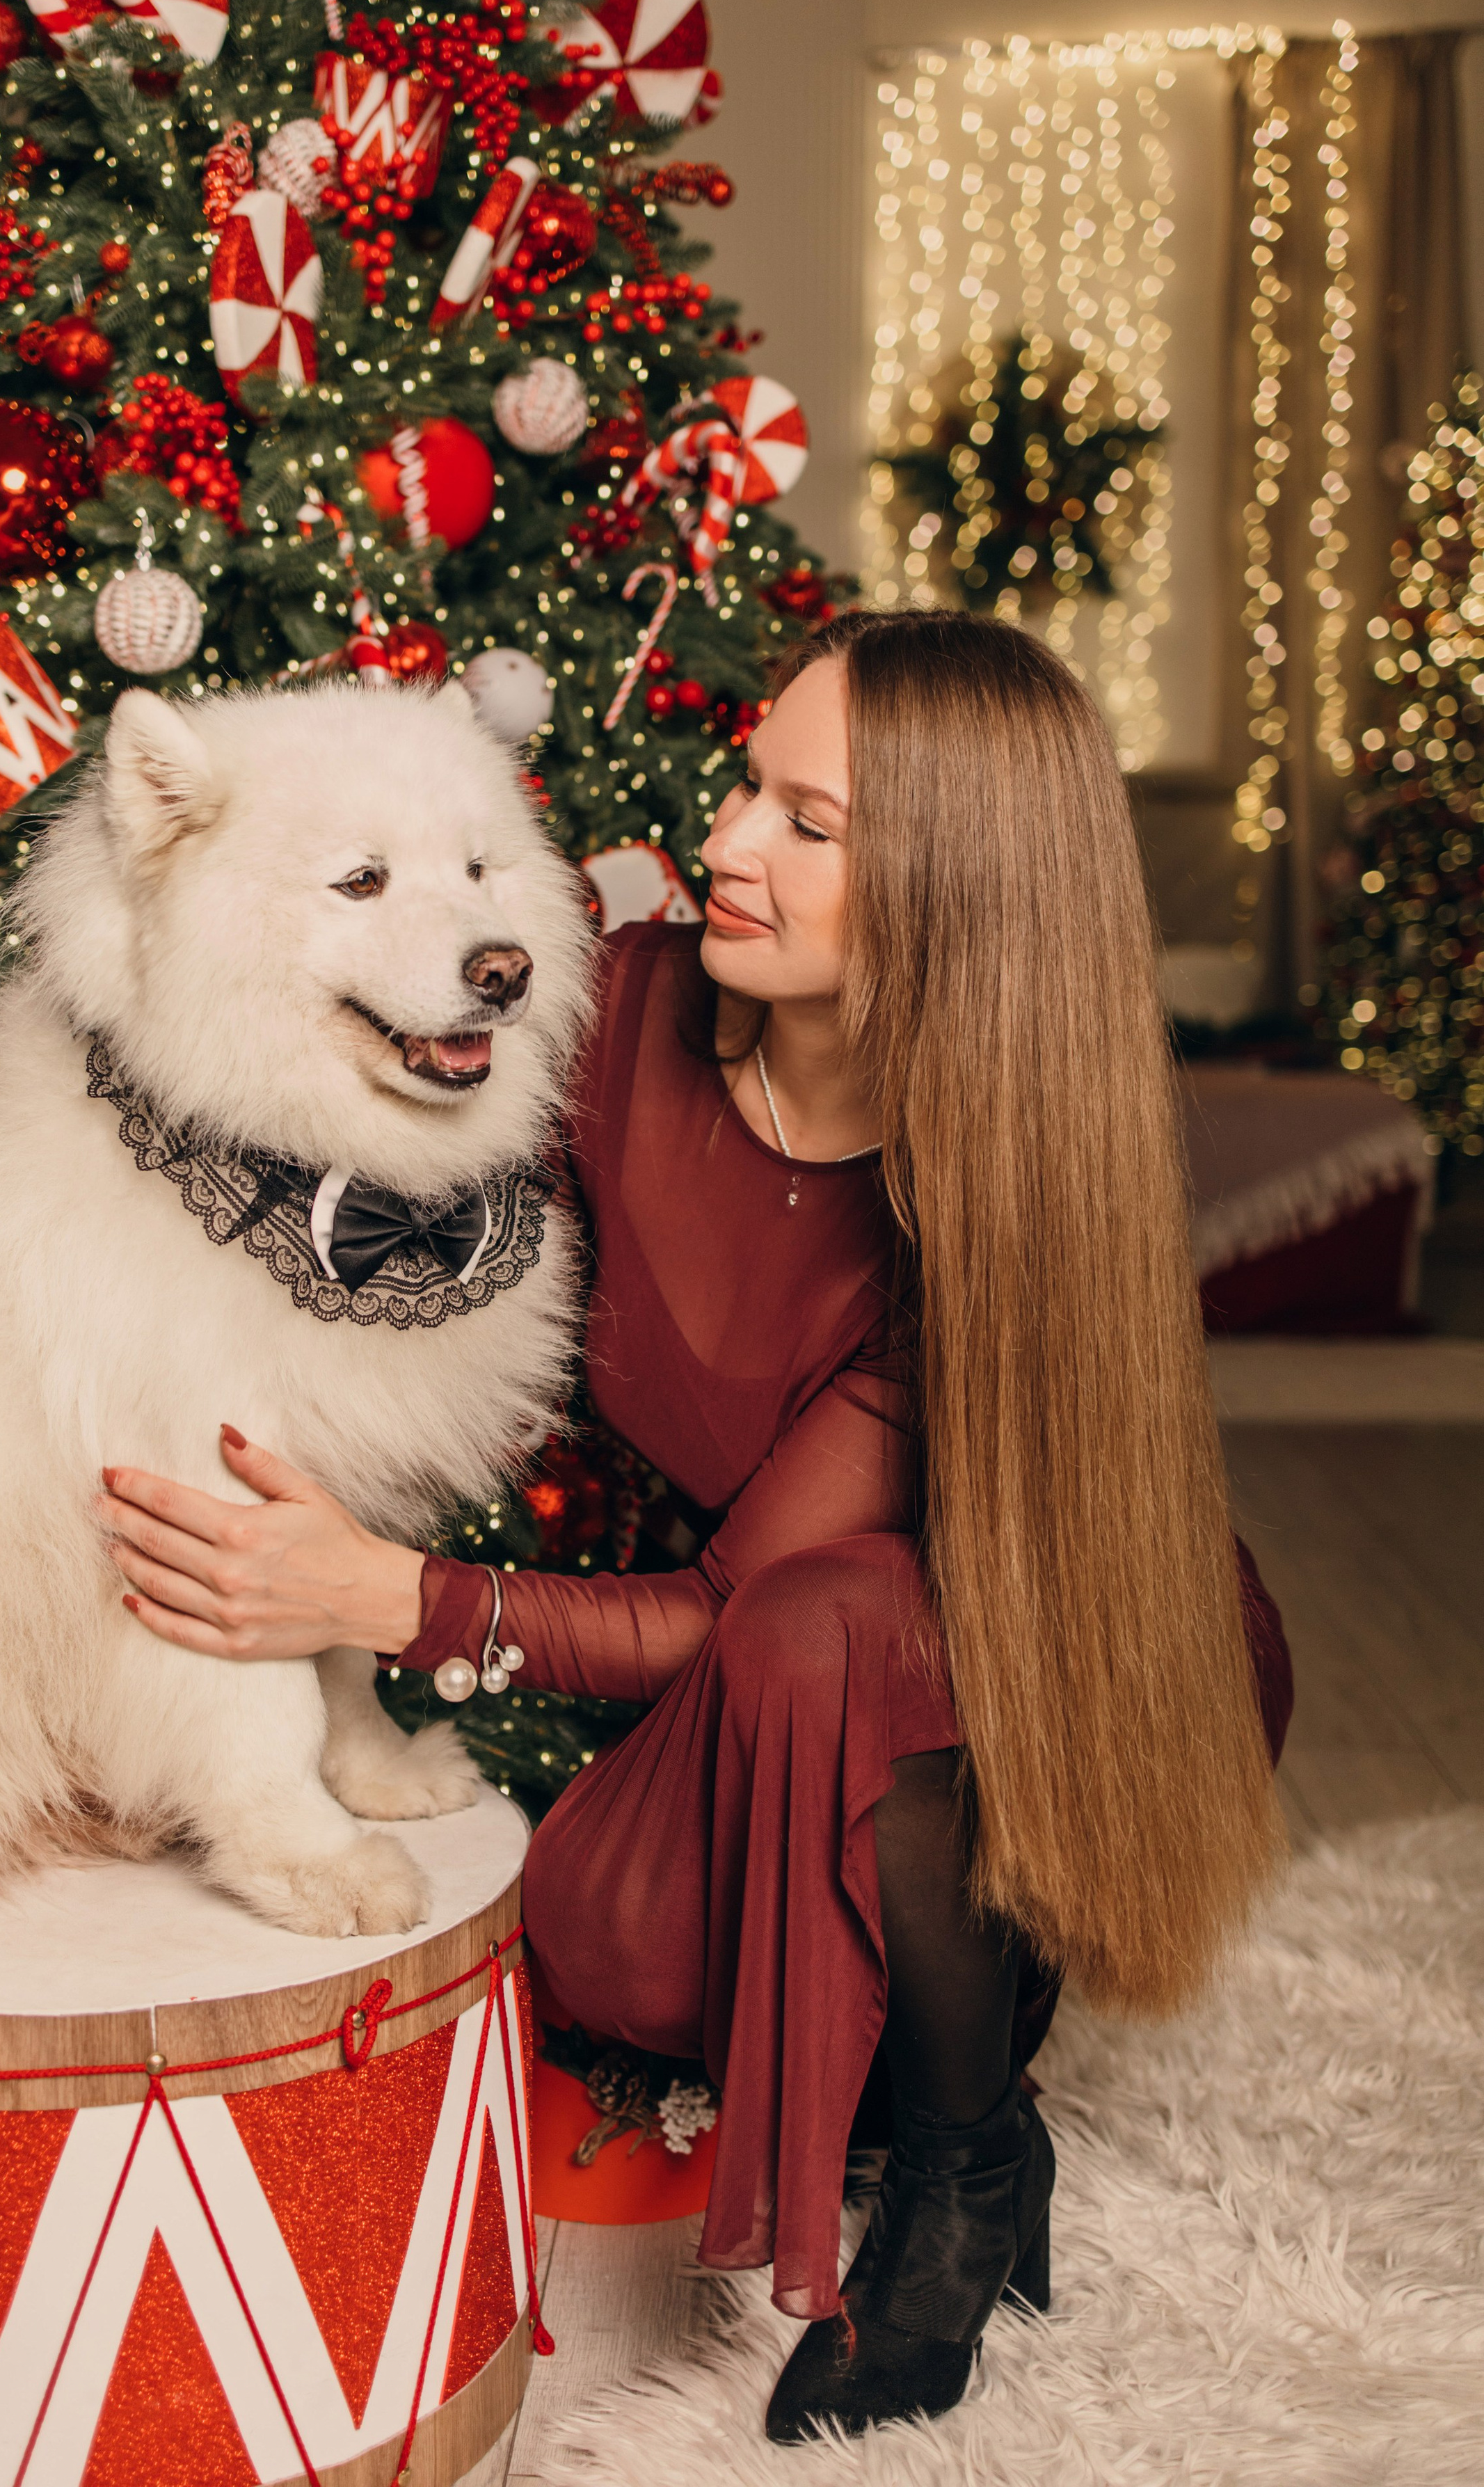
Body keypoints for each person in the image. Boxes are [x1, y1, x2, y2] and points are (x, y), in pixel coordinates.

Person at [100, 609, 1293, 2442]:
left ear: (952, 897)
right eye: (753, 784)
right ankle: (932, 2029)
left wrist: (395, 1598)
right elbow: (343, 1116)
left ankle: (968, 2175)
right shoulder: (617, 1006)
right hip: (802, 1659)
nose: (726, 840)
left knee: (831, 1616)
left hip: (1039, 1662)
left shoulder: (975, 1209)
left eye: (808, 825)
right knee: (612, 1937)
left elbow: (755, 1603)